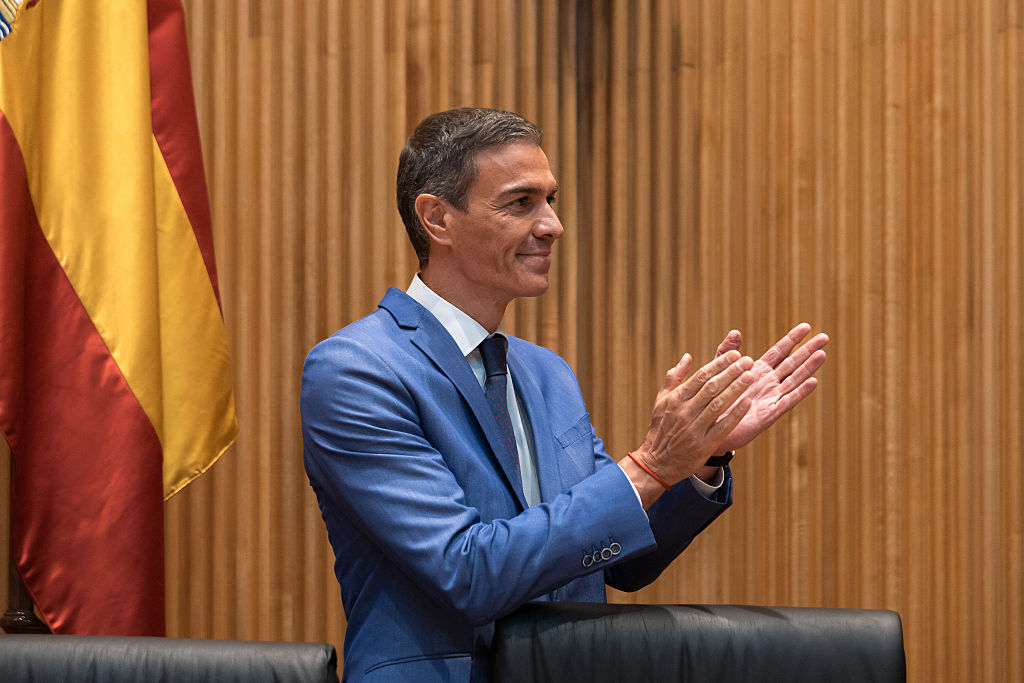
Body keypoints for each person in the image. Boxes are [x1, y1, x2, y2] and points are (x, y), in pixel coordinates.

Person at [300, 107, 828, 682]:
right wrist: (649, 466)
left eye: (551, 200)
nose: (552, 224)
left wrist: (698, 460)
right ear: (437, 219)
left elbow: (623, 559)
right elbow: (468, 572)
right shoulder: (356, 370)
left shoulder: (547, 373)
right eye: (521, 203)